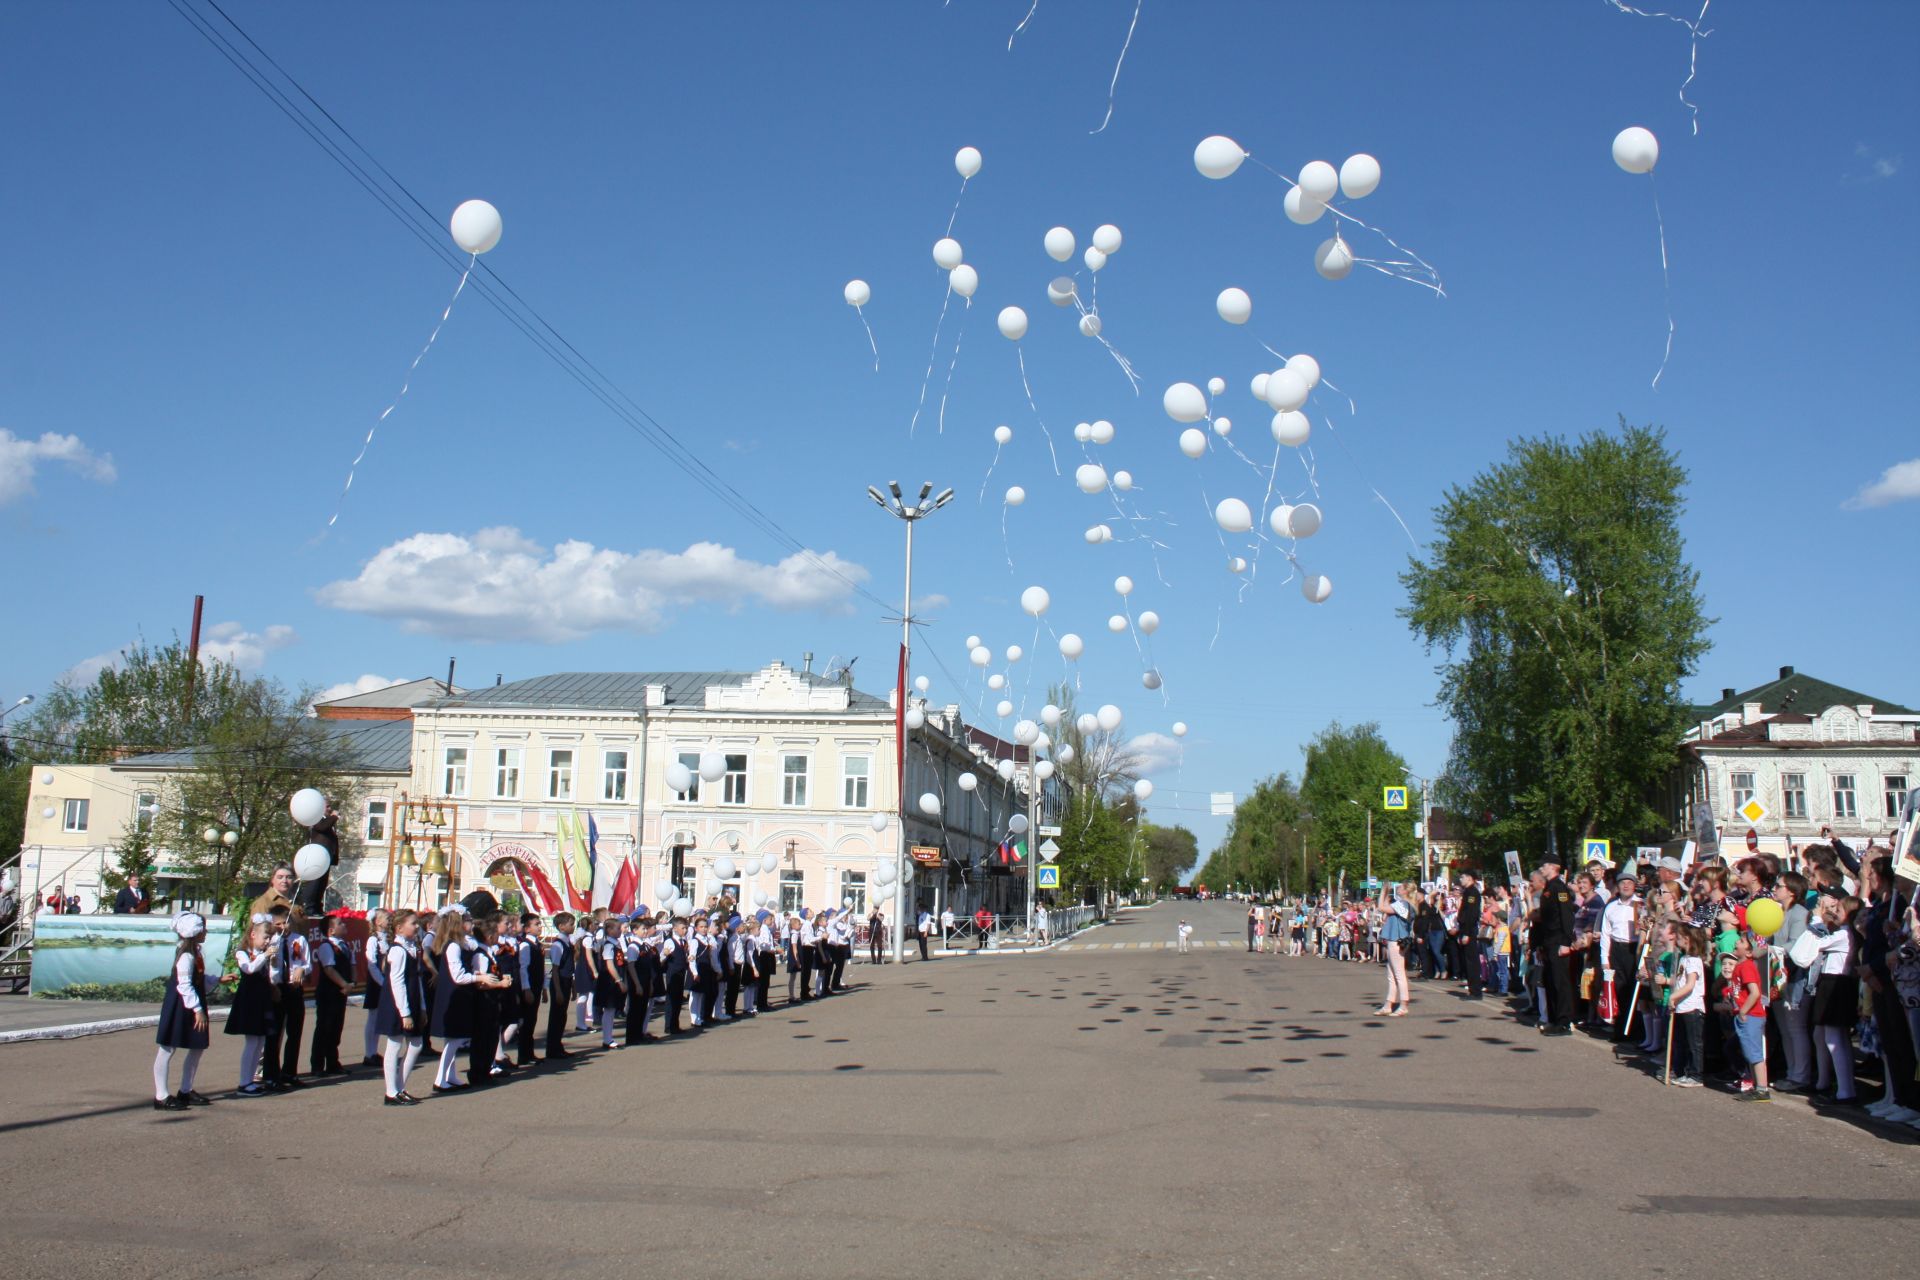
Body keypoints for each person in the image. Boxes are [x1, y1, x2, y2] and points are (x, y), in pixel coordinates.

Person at [152, 911, 215, 1111]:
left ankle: (185, 1090)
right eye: (203, 928)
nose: (206, 931)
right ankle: (161, 1095)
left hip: (192, 1003)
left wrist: (218, 980)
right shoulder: (186, 955)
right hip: (180, 1005)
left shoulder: (195, 952)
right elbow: (184, 985)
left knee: (197, 1046)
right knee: (167, 1048)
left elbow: (198, 980)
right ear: (195, 931)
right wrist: (197, 1009)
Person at [376, 909, 426, 1106]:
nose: (417, 927)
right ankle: (391, 1092)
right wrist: (405, 1012)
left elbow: (417, 981)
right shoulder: (397, 950)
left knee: (416, 1044)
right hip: (397, 1003)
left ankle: (400, 1087)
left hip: (411, 1000)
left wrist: (421, 1007)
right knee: (394, 1045)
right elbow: (396, 982)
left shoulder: (412, 948)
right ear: (399, 928)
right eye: (413, 923)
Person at [224, 917, 275, 1097]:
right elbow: (249, 969)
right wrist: (265, 956)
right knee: (252, 1041)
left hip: (262, 998)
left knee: (260, 1041)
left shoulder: (263, 954)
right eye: (265, 937)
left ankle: (251, 1080)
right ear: (253, 935)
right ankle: (244, 1082)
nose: (267, 941)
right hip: (249, 999)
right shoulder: (242, 952)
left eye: (269, 938)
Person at [1725, 933, 1770, 1101]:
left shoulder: (1747, 966)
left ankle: (1762, 1089)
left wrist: (1743, 1010)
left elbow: (1755, 992)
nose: (1737, 941)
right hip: (1744, 1014)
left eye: (1742, 941)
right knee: (1749, 1053)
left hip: (1751, 1015)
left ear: (1749, 952)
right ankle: (1756, 1086)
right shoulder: (1740, 966)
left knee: (1755, 1054)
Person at [1535, 858, 1575, 1034]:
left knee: (1560, 982)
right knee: (1550, 981)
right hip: (1549, 941)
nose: (1541, 867)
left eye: (1544, 864)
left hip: (1558, 940)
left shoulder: (1559, 888)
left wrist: (1566, 942)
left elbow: (1566, 916)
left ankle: (1564, 1021)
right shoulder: (1549, 887)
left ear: (1553, 867)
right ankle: (1554, 1019)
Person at [309, 914, 351, 1076]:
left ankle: (333, 1062)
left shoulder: (344, 946)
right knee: (324, 1028)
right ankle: (317, 1065)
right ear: (331, 931)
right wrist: (344, 984)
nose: (344, 924)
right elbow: (329, 969)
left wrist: (351, 983)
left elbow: (351, 964)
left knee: (336, 1028)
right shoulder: (326, 947)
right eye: (340, 923)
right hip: (329, 993)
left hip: (341, 992)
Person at [1667, 924, 1707, 1087]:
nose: (1676, 940)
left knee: (1694, 1043)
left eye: (1679, 937)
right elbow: (1680, 981)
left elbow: (1690, 985)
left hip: (1693, 1007)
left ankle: (1696, 1075)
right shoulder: (1684, 958)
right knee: (1681, 1041)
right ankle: (1682, 1070)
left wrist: (1674, 997)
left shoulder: (1694, 961)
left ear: (1687, 939)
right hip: (1682, 1007)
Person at [360, 909, 391, 1067]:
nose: (389, 920)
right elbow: (372, 963)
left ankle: (374, 1051)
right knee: (373, 1018)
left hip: (384, 981)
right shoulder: (373, 940)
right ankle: (369, 1053)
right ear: (377, 921)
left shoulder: (386, 938)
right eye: (386, 918)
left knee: (378, 1018)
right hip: (377, 982)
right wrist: (381, 981)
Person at [1377, 887, 1411, 1016]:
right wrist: (1385, 892)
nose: (1399, 889)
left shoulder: (1404, 904)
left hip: (1398, 940)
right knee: (1391, 975)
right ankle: (1388, 1004)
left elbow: (1381, 907)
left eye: (1402, 888)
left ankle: (1403, 1005)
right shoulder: (1399, 904)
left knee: (1399, 974)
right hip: (1392, 939)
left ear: (1407, 891)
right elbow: (1385, 905)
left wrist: (1382, 892)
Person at [1455, 871, 1484, 999]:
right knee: (1468, 961)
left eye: (1463, 876)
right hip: (1465, 929)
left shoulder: (1472, 892)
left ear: (1470, 878)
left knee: (1472, 961)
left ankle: (1476, 991)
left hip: (1469, 931)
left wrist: (1466, 933)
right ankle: (1472, 989)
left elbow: (1471, 915)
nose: (1461, 879)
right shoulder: (1467, 892)